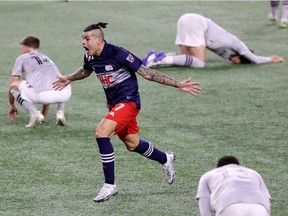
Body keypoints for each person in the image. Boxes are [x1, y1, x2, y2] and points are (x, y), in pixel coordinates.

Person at [53, 22, 201, 203]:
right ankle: (166, 158)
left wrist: (178, 84)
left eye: (87, 38)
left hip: (129, 102)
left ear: (99, 40)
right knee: (132, 144)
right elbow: (86, 71)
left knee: (101, 133)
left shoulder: (119, 54)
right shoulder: (90, 56)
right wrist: (68, 78)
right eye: (82, 38)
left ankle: (110, 185)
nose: (83, 42)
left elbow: (148, 73)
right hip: (114, 105)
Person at [142, 13, 284, 69]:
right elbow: (255, 60)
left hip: (186, 19)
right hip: (197, 23)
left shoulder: (228, 53)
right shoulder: (239, 45)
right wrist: (270, 58)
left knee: (188, 61)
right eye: (237, 61)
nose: (233, 61)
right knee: (199, 63)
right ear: (240, 57)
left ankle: (159, 58)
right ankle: (160, 59)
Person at [8, 35, 72, 128]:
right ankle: (60, 112)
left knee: (14, 86)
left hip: (44, 95)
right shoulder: (46, 58)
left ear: (25, 47)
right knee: (55, 81)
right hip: (65, 93)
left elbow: (12, 84)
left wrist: (11, 105)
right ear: (38, 48)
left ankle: (34, 112)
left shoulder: (21, 58)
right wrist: (44, 115)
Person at [196, 155, 271, 216]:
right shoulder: (254, 173)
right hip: (259, 208)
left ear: (218, 167)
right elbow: (266, 197)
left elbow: (204, 204)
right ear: (237, 165)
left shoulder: (208, 175)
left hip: (229, 206)